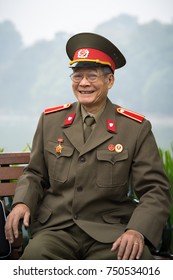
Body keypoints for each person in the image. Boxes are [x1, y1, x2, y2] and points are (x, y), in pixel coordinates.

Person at [5, 32, 171, 260]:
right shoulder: (50, 120)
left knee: (138, 262)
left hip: (111, 235)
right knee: (32, 261)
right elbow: (34, 174)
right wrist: (22, 203)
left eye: (92, 76)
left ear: (109, 81)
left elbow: (155, 190)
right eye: (77, 76)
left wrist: (137, 230)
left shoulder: (135, 128)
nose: (83, 83)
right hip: (56, 231)